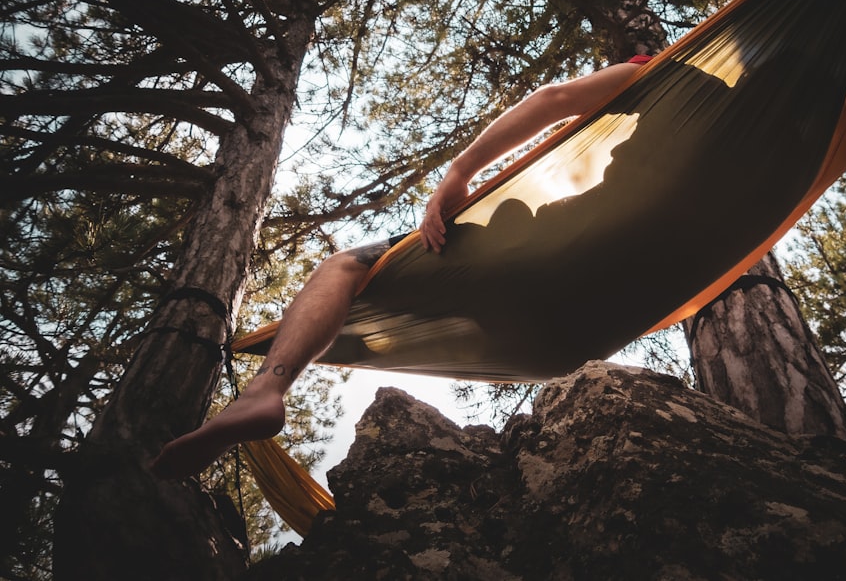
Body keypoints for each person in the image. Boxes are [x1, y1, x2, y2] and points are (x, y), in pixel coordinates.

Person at [150, 60, 647, 479]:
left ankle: (266, 390)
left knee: (345, 267)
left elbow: (553, 99)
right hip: (579, 323)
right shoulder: (711, 141)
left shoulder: (658, 70)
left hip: (529, 267)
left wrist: (459, 172)